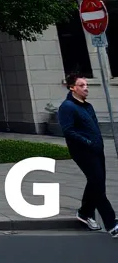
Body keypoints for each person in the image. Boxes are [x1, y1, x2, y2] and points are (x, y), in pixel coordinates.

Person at [58, 74, 117, 236]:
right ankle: (111, 224)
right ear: (72, 87)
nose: (86, 88)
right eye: (82, 85)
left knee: (96, 183)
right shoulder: (67, 107)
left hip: (97, 150)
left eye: (87, 85)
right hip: (83, 151)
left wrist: (97, 144)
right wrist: (88, 142)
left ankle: (84, 213)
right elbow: (68, 131)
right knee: (98, 187)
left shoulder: (88, 106)